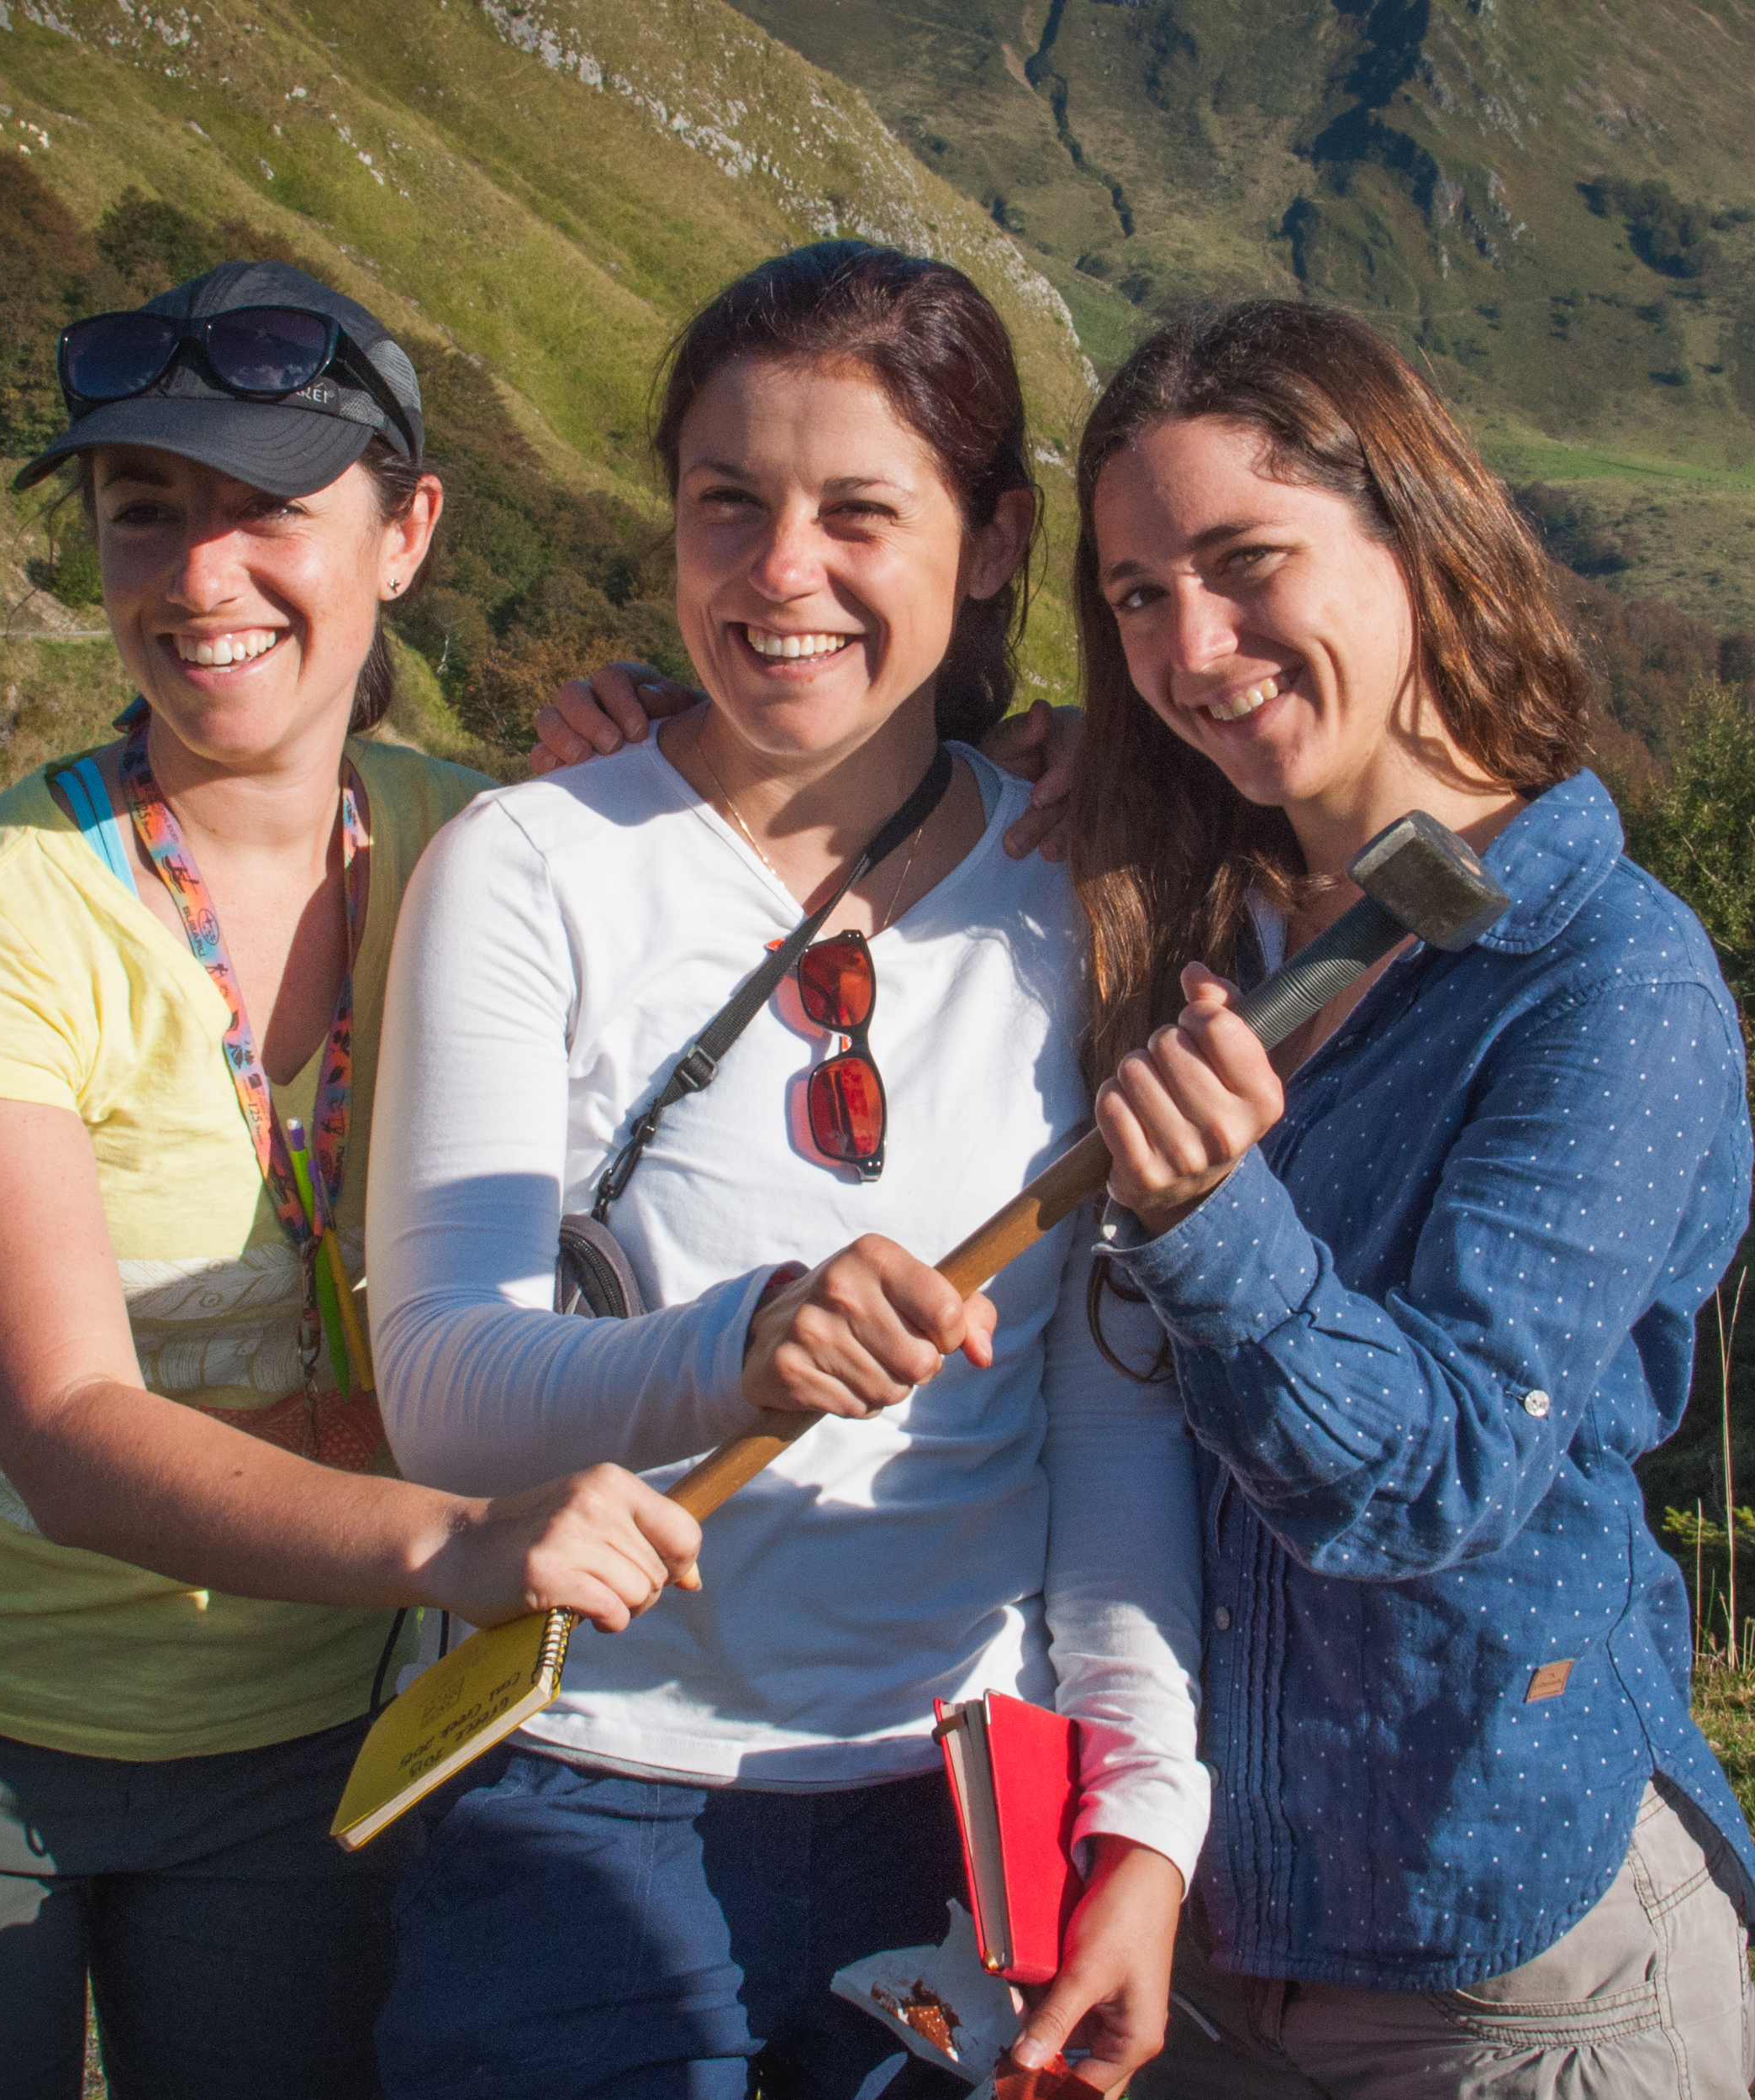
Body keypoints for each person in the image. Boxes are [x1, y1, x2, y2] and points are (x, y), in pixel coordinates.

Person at [0, 261, 705, 2100]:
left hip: (297, 1737)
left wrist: (1014, 759)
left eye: (264, 510)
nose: (196, 577)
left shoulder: (478, 853)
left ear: (406, 532)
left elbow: (774, 873)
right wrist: (461, 1545)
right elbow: (66, 1426)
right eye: (144, 514)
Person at [366, 240, 1205, 2100]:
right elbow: (435, 1384)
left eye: (857, 513)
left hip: (965, 1818)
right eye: (725, 504)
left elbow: (1107, 1413)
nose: (779, 575)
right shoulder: (530, 865)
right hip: (585, 1790)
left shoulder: (1078, 889)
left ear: (991, 543)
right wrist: (738, 1343)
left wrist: (1145, 1813)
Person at [1062, 303, 1755, 2097]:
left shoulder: (1608, 982)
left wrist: (1215, 1219)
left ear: (1416, 536)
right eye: (1137, 594)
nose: (1192, 647)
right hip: (1209, 1941)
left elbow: (1442, 1472)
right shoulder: (1199, 905)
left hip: (1508, 1970)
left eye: (1245, 564)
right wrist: (664, 724)